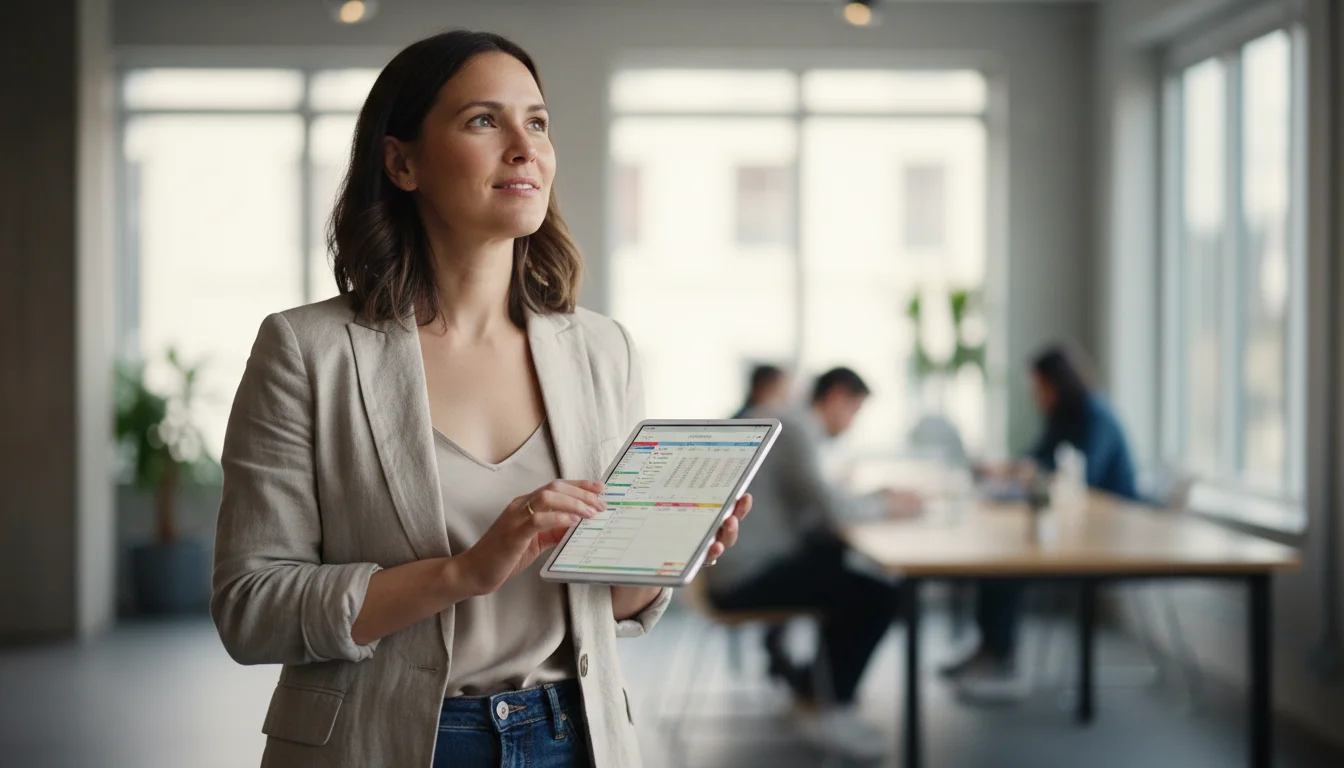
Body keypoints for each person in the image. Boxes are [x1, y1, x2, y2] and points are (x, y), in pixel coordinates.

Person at [210, 31, 751, 768]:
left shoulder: (602, 349)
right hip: (385, 743)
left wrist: (660, 557)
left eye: (537, 122)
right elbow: (251, 607)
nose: (525, 147)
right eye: (482, 121)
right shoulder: (308, 351)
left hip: (573, 736)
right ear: (402, 161)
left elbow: (603, 609)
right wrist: (462, 573)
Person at [704, 367, 917, 759]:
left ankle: (813, 693)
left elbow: (815, 505)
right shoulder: (795, 428)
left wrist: (869, 498)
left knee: (843, 571)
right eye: (854, 410)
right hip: (744, 577)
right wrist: (889, 503)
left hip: (734, 567)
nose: (851, 424)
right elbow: (831, 511)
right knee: (878, 594)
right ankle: (831, 710)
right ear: (835, 396)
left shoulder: (787, 422)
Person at [944, 344, 1138, 699]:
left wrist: (1031, 472)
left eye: (1040, 386)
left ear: (1057, 383)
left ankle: (999, 660)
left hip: (1108, 533)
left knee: (1008, 564)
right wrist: (1008, 468)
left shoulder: (1096, 416)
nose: (1036, 395)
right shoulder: (1060, 416)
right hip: (1069, 525)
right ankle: (991, 651)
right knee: (998, 555)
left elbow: (1083, 478)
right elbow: (1037, 459)